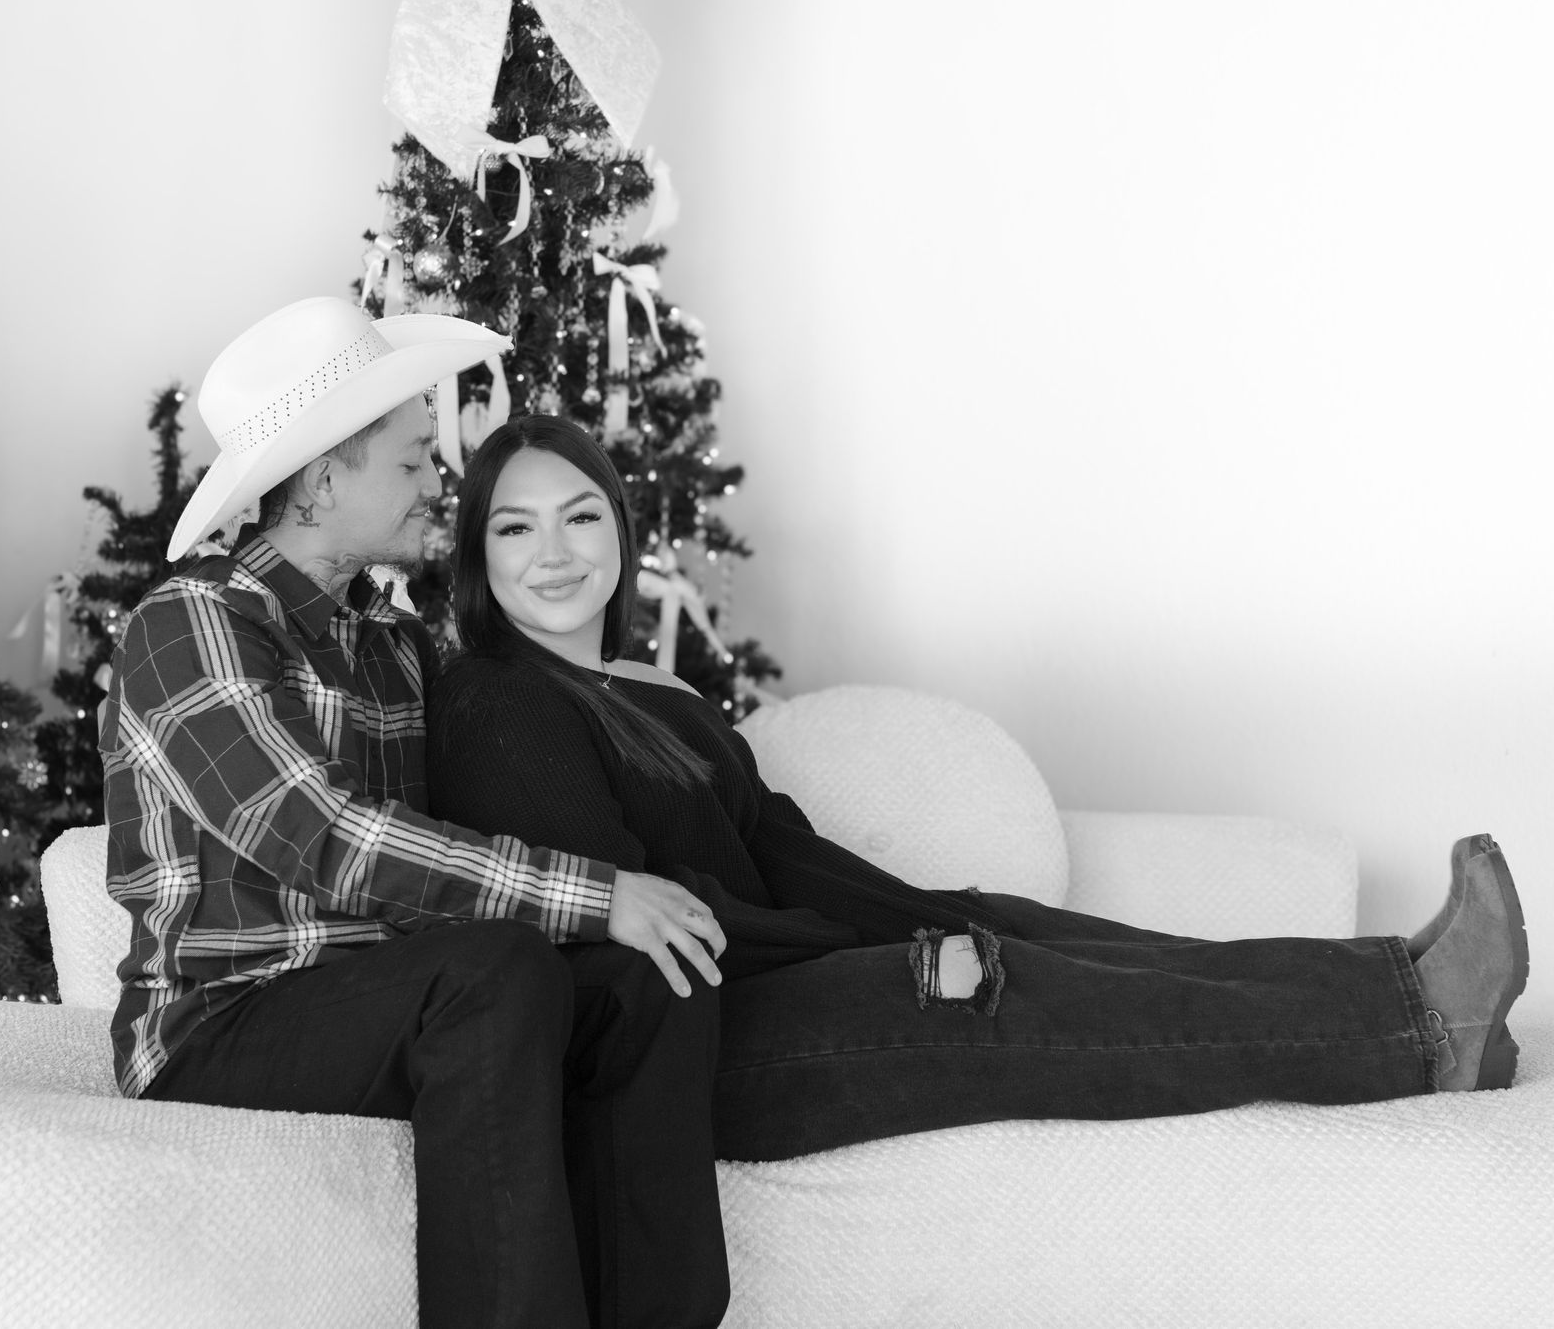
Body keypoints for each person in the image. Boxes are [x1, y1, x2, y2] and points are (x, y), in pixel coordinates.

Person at [425, 413, 1533, 1163]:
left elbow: (778, 848)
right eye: (514, 528)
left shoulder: (649, 686)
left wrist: (931, 916)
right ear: (480, 557)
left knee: (1027, 932)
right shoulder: (497, 700)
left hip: (767, 986)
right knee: (1019, 984)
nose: (553, 552)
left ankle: (1416, 995)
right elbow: (641, 929)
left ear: (619, 526)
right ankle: (1423, 1023)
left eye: (579, 515)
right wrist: (895, 962)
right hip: (700, 1045)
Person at [101, 298, 734, 1329]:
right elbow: (325, 837)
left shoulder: (391, 641)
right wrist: (596, 891)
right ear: (318, 481)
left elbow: (477, 796)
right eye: (409, 461)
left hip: (385, 1002)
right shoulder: (193, 621)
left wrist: (631, 704)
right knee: (498, 967)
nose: (439, 482)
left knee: (651, 975)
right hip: (222, 1019)